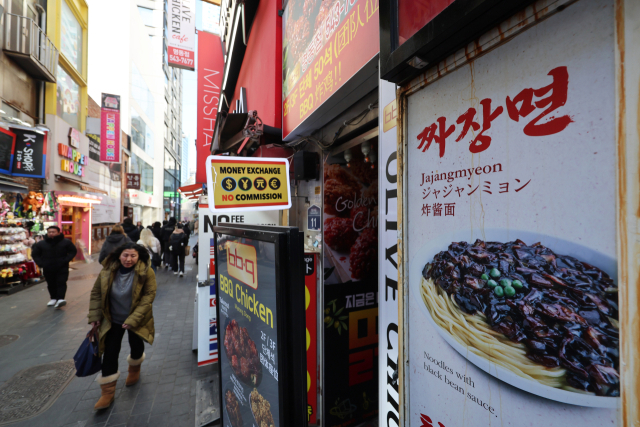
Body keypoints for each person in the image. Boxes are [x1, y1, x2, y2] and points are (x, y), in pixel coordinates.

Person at [88, 243, 156, 410]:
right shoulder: (107, 270)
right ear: (119, 255)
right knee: (110, 352)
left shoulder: (146, 271)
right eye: (125, 255)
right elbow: (97, 293)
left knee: (136, 344)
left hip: (136, 319)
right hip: (112, 319)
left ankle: (134, 369)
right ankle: (107, 392)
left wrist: (133, 319)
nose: (128, 259)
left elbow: (149, 295)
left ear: (138, 257)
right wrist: (95, 316)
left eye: (133, 256)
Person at [32, 226, 77, 308]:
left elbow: (73, 251)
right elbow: (35, 254)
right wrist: (41, 263)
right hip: (48, 267)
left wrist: (65, 260)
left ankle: (60, 298)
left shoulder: (66, 242)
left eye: (53, 232)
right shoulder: (41, 244)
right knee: (50, 283)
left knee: (61, 282)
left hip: (62, 266)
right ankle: (53, 298)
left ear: (58, 232)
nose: (51, 234)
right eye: (49, 232)